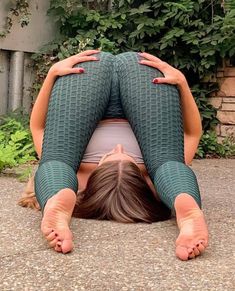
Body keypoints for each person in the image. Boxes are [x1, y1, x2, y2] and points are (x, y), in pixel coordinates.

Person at [22, 49, 208, 260]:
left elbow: (38, 128)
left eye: (109, 155)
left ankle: (55, 200)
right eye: (127, 156)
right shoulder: (156, 177)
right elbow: (193, 133)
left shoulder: (79, 176)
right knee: (169, 162)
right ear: (140, 181)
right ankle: (188, 209)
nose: (119, 147)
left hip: (87, 90)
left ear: (97, 178)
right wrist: (181, 83)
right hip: (144, 92)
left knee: (56, 159)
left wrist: (52, 74)